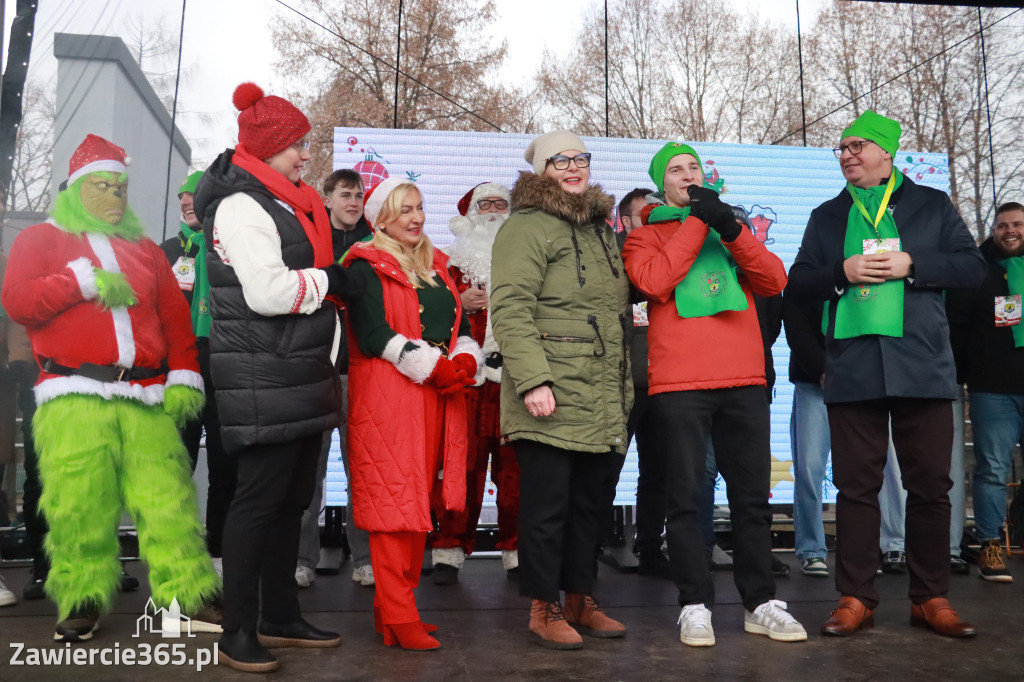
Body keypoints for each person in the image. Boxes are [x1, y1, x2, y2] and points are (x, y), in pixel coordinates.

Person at [1, 134, 220, 642]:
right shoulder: (41, 241)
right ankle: (82, 598)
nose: (116, 196)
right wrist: (78, 282)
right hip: (72, 393)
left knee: (168, 500)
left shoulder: (145, 250)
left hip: (144, 395)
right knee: (80, 505)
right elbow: (18, 301)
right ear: (78, 188)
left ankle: (187, 594)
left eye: (121, 187)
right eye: (104, 185)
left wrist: (184, 374)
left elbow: (174, 320)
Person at [787, 109, 984, 639]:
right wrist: (840, 272)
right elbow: (797, 284)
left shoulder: (930, 205)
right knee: (856, 488)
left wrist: (914, 266)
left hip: (921, 364)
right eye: (842, 148)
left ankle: (931, 597)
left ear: (886, 153)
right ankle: (855, 597)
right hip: (852, 368)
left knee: (930, 486)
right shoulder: (827, 216)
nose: (847, 154)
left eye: (857, 146)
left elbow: (972, 268)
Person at [193, 83, 364, 672]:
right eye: (297, 144)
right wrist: (330, 281)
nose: (305, 154)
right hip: (264, 374)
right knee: (258, 503)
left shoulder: (284, 201)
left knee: (291, 501)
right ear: (267, 148)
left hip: (296, 370)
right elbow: (266, 292)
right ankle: (238, 627)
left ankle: (280, 616)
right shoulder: (244, 205)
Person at [623, 142, 805, 647]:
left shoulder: (733, 229)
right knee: (683, 498)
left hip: (744, 379)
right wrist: (698, 223)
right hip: (680, 384)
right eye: (676, 170)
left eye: (693, 168)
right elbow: (656, 283)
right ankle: (695, 604)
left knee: (751, 499)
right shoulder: (643, 236)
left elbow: (773, 280)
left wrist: (729, 228)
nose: (687, 174)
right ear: (663, 184)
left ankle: (759, 602)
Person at [491, 130, 631, 650]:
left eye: (580, 158)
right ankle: (542, 606)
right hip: (550, 386)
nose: (573, 167)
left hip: (598, 390)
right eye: (561, 160)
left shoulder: (598, 227)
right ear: (542, 169)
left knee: (589, 504)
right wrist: (533, 380)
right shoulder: (525, 226)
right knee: (547, 506)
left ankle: (579, 598)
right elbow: (510, 307)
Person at [342, 176, 482, 651]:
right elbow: (372, 333)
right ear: (381, 218)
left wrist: (464, 354)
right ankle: (401, 616)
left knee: (415, 502)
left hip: (435, 395)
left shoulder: (435, 264)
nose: (416, 217)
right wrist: (428, 366)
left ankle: (393, 611)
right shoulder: (363, 264)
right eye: (405, 210)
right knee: (393, 508)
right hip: (389, 397)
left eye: (419, 208)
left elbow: (456, 321)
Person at [431, 182, 521, 584]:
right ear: (469, 215)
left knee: (515, 471)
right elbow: (427, 313)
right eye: (484, 205)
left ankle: (517, 551)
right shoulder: (448, 264)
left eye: (500, 205)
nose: (492, 212)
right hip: (465, 380)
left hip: (514, 379)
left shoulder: (524, 258)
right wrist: (458, 303)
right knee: (460, 468)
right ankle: (448, 551)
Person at [295, 168, 373, 590]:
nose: (354, 201)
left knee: (362, 472)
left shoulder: (376, 244)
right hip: (316, 371)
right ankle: (302, 560)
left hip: (362, 371)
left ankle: (364, 558)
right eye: (345, 194)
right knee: (310, 474)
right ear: (326, 199)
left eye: (359, 195)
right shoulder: (310, 243)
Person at [160, 170, 236, 579]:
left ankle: (220, 551)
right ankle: (176, 548)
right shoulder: (168, 251)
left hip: (224, 362)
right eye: (182, 197)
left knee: (226, 464)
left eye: (194, 196)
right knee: (177, 463)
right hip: (179, 365)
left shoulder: (231, 248)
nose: (187, 202)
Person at [947, 201, 1024, 583]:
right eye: (1003, 225)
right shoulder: (976, 268)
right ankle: (990, 543)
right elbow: (957, 325)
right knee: (993, 470)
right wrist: (959, 375)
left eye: (1017, 224)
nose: (1009, 231)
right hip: (992, 388)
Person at [617, 188, 671, 578]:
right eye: (645, 214)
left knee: (659, 471)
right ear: (625, 222)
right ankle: (590, 547)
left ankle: (651, 544)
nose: (654, 218)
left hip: (665, 381)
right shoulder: (614, 259)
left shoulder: (673, 254)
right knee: (607, 469)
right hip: (621, 384)